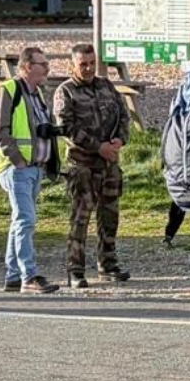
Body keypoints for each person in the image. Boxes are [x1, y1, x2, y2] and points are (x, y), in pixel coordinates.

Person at [53, 43, 131, 287]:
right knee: (80, 218)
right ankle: (75, 269)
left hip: (109, 165)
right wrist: (98, 147)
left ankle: (108, 263)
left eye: (91, 63)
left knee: (110, 216)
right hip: (83, 164)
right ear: (73, 65)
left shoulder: (106, 86)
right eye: (82, 64)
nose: (88, 69)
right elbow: (66, 128)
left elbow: (123, 115)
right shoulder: (65, 92)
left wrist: (120, 139)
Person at [0, 46, 62, 293]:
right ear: (28, 66)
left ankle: (13, 275)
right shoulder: (8, 90)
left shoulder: (37, 94)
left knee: (19, 221)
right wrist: (18, 160)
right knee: (26, 220)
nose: (47, 68)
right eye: (43, 64)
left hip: (34, 168)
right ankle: (29, 276)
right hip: (17, 168)